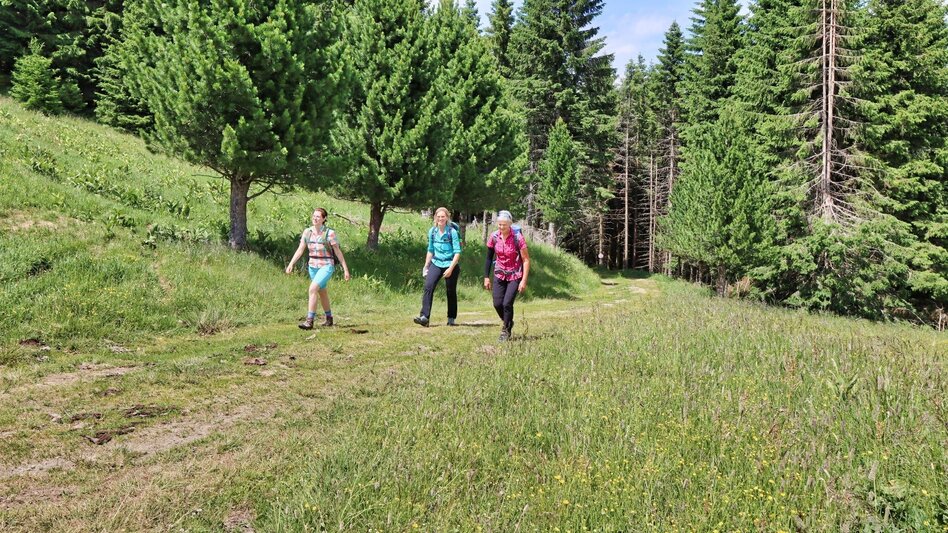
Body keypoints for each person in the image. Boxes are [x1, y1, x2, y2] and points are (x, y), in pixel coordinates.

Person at [285, 208, 350, 329]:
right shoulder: (307, 232)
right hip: (312, 266)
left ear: (324, 219)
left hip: (326, 266)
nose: (315, 218)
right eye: (314, 216)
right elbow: (300, 249)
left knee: (312, 289)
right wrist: (291, 264)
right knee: (322, 292)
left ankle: (309, 321)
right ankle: (329, 318)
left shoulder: (329, 233)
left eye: (318, 217)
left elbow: (338, 251)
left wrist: (345, 269)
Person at [484, 210, 530, 341]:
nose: (501, 227)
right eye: (499, 224)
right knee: (497, 303)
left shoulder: (518, 238)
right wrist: (486, 277)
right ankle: (508, 321)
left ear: (510, 224)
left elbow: (526, 260)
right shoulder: (493, 237)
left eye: (504, 224)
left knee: (507, 304)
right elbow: (488, 258)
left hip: (515, 275)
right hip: (499, 273)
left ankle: (506, 330)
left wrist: (523, 281)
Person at [414, 207, 462, 327]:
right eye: (438, 216)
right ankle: (424, 317)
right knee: (428, 287)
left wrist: (450, 269)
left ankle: (451, 318)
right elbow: (430, 250)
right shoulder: (433, 231)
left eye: (443, 216)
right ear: (435, 217)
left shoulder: (452, 232)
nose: (440, 219)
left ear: (447, 218)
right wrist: (426, 265)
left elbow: (457, 252)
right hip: (436, 263)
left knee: (450, 291)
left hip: (450, 264)